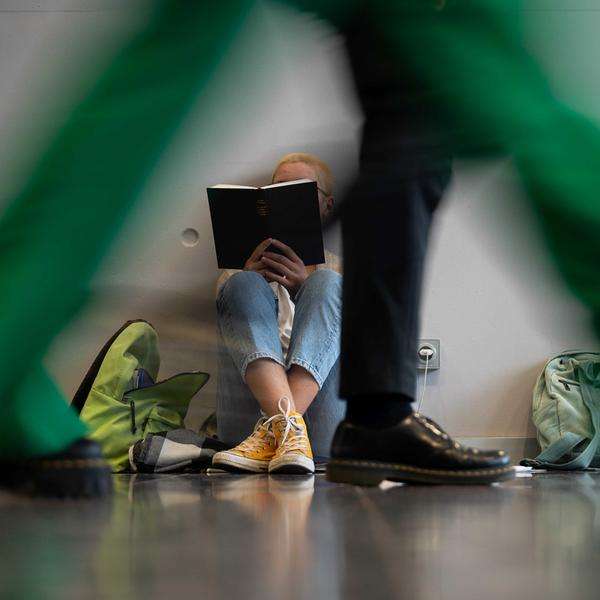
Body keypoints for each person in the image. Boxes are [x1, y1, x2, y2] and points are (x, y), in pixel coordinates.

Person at [212, 153, 344, 474]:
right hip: (244, 424)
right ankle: (285, 433)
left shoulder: (340, 270)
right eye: (277, 190)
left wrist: (304, 289)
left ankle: (277, 432)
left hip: (321, 427)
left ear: (327, 205)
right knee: (242, 284)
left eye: (300, 191)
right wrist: (249, 278)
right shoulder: (237, 273)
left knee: (328, 283)